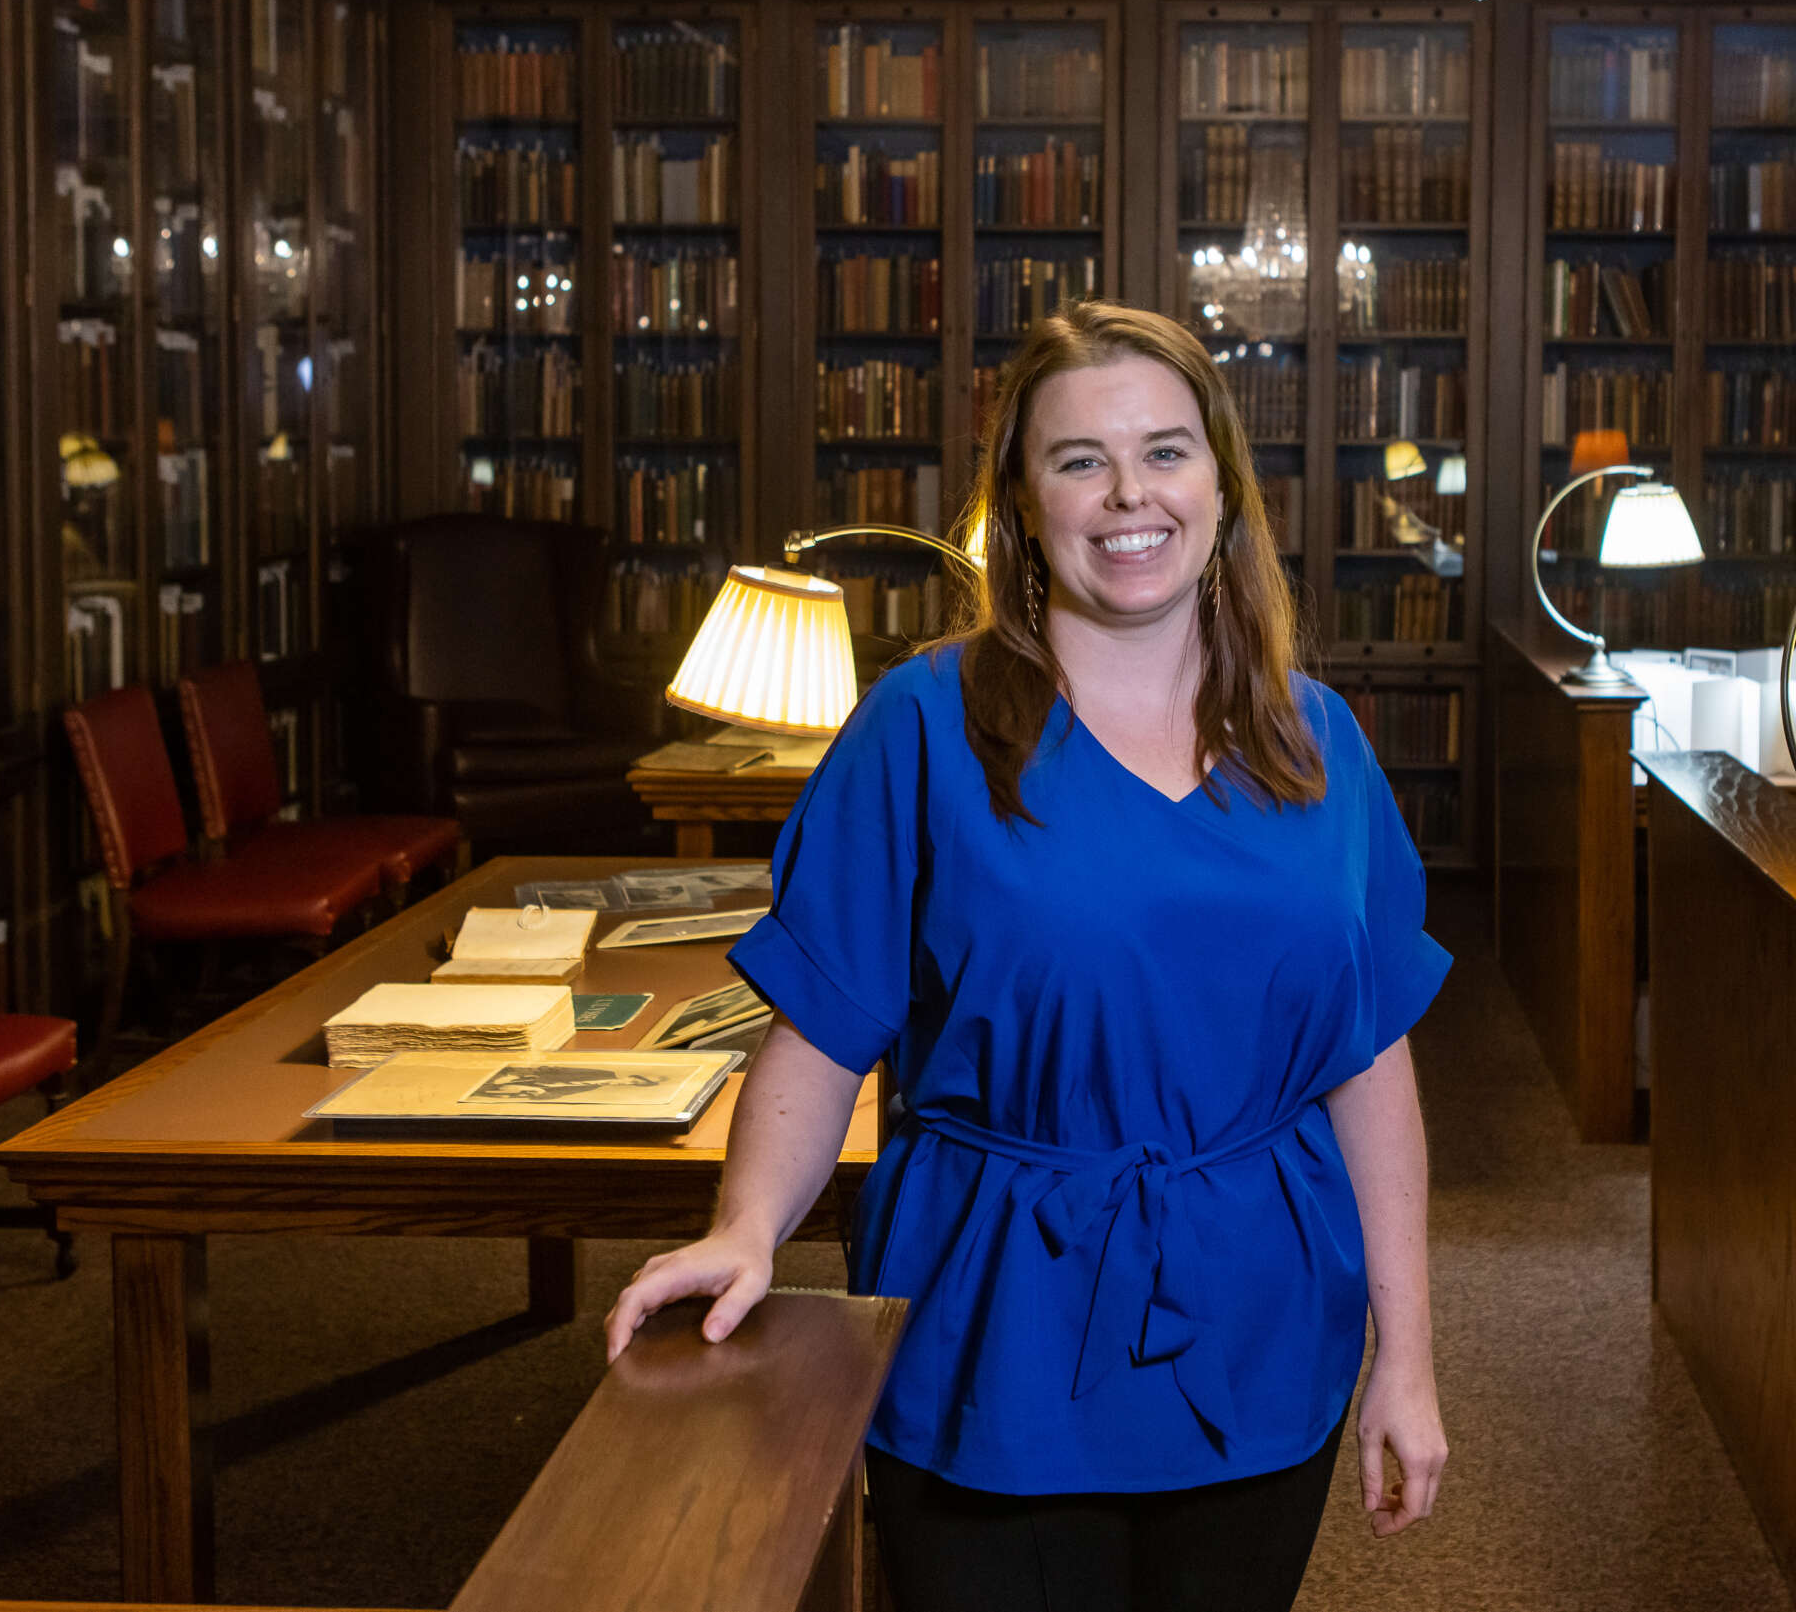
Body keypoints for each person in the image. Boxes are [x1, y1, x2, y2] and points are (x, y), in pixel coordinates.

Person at [605, 301, 1450, 1610]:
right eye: (1080, 459)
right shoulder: (921, 725)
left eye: (1166, 451)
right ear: (1023, 501)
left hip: (1262, 1321)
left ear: (1223, 486)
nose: (1130, 495)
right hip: (994, 1311)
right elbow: (826, 1027)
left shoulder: (1318, 738)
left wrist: (1409, 1354)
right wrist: (746, 1225)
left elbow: (1369, 1057)